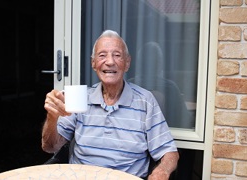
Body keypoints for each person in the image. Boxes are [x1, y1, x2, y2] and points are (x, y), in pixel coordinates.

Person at [41, 30, 179, 180]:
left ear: (127, 63)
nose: (110, 61)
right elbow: (49, 147)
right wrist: (52, 117)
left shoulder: (145, 101)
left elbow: (169, 152)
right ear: (93, 63)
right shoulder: (81, 98)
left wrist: (162, 171)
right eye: (102, 55)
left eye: (117, 55)